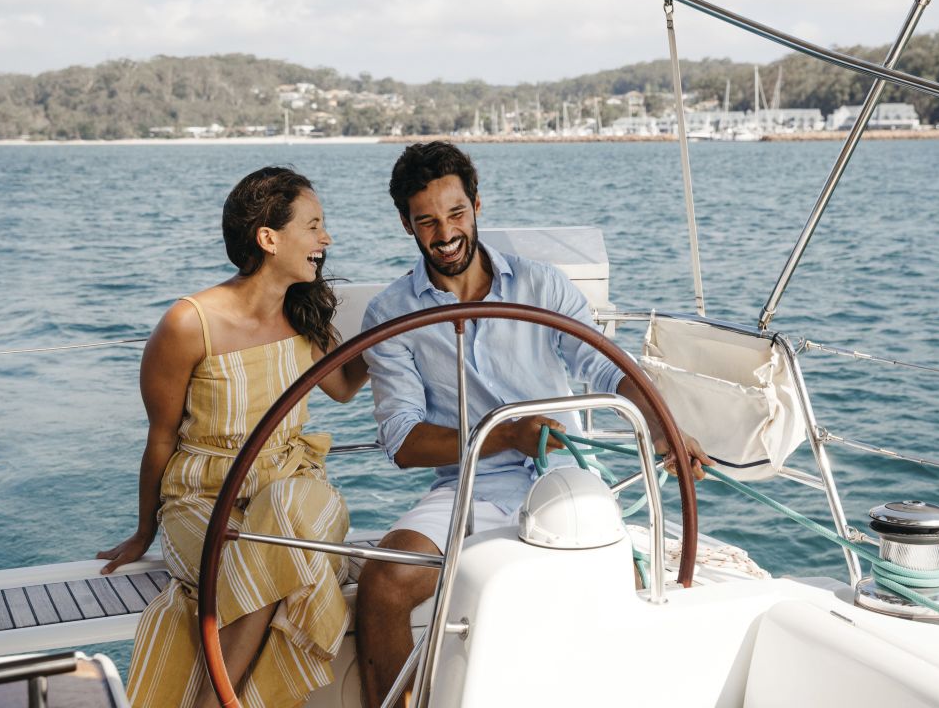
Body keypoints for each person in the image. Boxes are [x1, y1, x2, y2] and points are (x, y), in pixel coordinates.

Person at [354, 141, 711, 706]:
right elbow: (401, 439)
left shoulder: (543, 287)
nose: (444, 234)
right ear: (406, 224)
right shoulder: (391, 313)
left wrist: (663, 425)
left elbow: (605, 365)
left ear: (477, 205)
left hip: (562, 476)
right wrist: (502, 435)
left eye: (455, 214)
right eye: (426, 221)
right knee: (384, 582)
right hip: (469, 487)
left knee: (620, 580)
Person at [97, 167, 368, 708]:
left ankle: (213, 701)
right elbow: (160, 440)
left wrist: (397, 338)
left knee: (284, 519)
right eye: (313, 226)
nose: (326, 239)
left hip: (293, 481)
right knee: (282, 565)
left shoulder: (305, 315)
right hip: (203, 497)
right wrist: (143, 531)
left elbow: (341, 386)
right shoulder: (187, 323)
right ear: (269, 239)